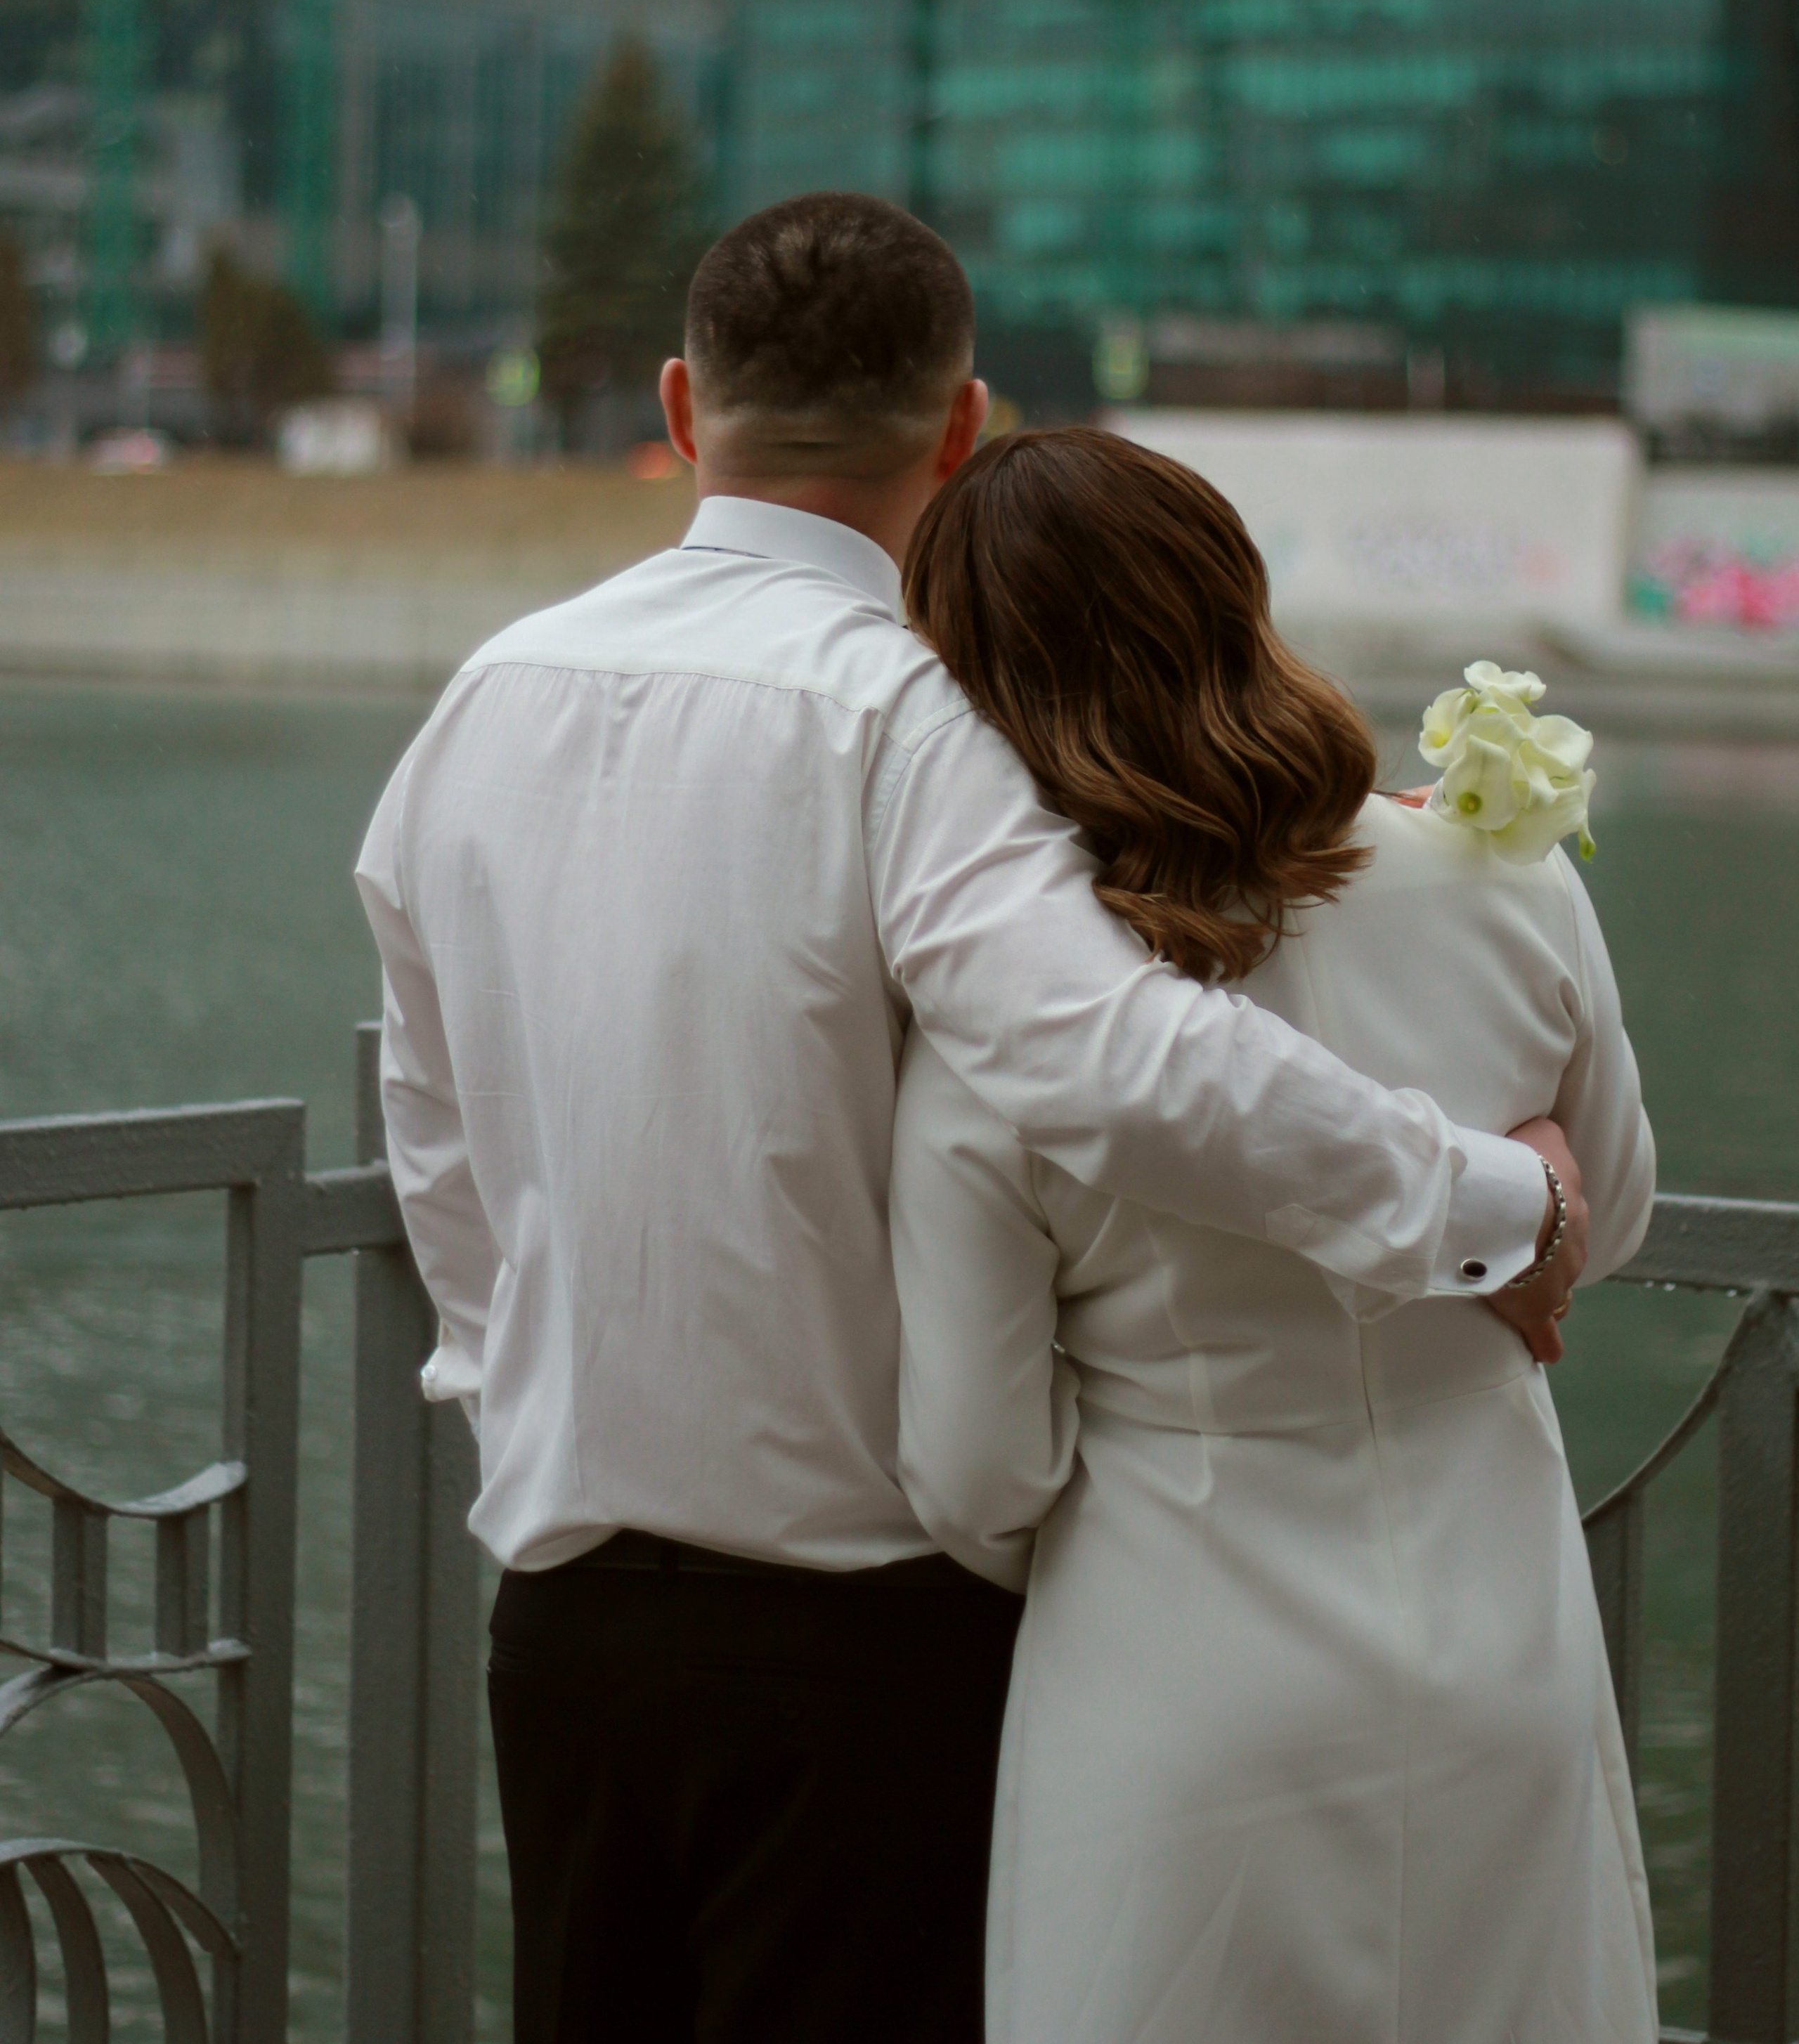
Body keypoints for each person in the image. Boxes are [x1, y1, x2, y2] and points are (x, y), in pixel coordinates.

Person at [354, 195, 1583, 2044]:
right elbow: (1112, 1059)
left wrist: (520, 1402)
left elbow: (439, 1152)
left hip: (563, 1614)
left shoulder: (480, 701)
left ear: (682, 407)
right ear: (960, 424)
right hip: (866, 1634)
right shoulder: (911, 716)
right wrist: (1497, 1200)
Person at [889, 424, 1657, 2044]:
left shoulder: (1017, 1024)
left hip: (1174, 1663)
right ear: (1235, 593)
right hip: (1497, 1628)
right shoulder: (1505, 880)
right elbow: (1609, 1220)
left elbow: (975, 1472)